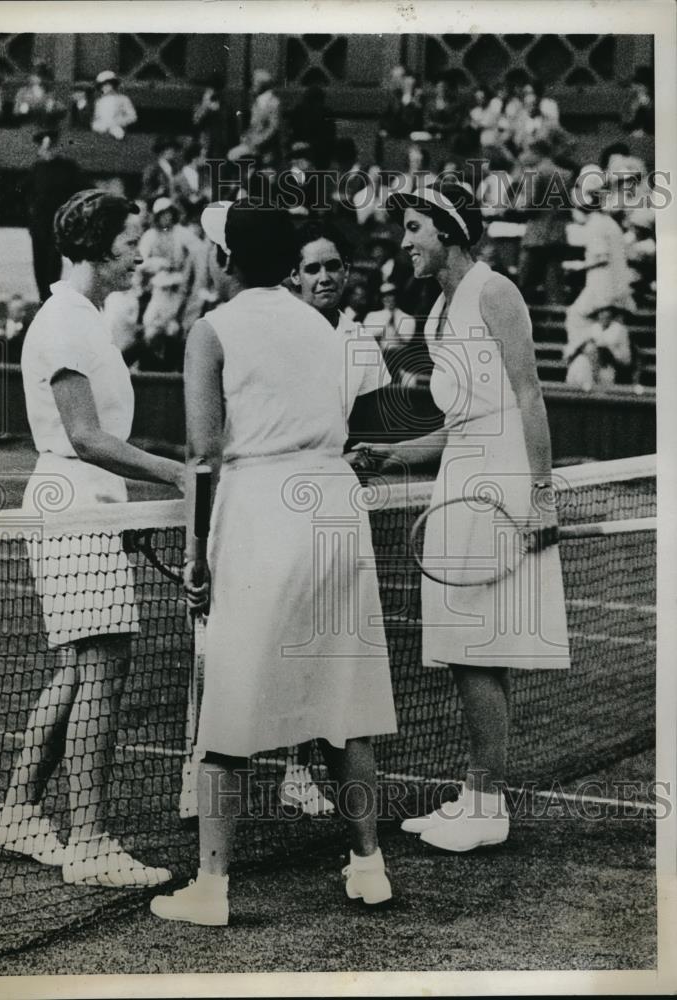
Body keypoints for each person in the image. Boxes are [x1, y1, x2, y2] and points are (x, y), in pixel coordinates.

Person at [149, 201, 398, 926]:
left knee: (229, 698)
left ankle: (212, 887)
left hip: (262, 510)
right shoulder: (323, 328)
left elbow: (201, 454)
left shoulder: (212, 329)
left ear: (226, 260)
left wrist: (195, 553)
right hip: (334, 512)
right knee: (343, 701)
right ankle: (368, 865)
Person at [0, 189, 185, 888]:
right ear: (99, 244)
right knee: (103, 666)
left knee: (81, 668)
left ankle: (16, 810)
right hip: (72, 496)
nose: (141, 252)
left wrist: (126, 505)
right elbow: (85, 435)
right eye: (131, 240)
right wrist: (177, 473)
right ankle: (90, 841)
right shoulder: (68, 320)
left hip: (85, 499)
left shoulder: (84, 316)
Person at [386, 181, 570, 850]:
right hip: (459, 480)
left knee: (480, 650)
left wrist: (542, 498)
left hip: (501, 484)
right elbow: (454, 425)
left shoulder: (494, 291)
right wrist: (389, 455)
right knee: (465, 651)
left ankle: (489, 806)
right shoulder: (437, 309)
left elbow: (529, 398)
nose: (404, 242)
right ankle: (473, 795)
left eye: (414, 228)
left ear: (449, 232)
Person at [564, 167, 635, 359]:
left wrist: (577, 268)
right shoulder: (608, 223)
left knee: (575, 317)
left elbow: (601, 257)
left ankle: (580, 358)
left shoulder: (596, 224)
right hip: (613, 287)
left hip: (604, 288)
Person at [26, 128, 84, 302]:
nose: (47, 149)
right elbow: (25, 195)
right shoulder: (36, 169)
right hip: (39, 225)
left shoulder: (68, 168)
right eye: (44, 146)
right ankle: (43, 298)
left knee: (53, 263)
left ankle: (51, 298)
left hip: (58, 223)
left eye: (51, 145)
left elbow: (81, 190)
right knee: (39, 263)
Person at [515, 139, 573, 305]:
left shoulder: (533, 173)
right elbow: (567, 207)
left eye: (526, 152)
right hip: (557, 233)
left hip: (536, 235)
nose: (523, 156)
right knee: (555, 284)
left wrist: (515, 208)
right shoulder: (566, 174)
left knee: (526, 283)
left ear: (536, 153)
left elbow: (530, 205)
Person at [91, 70, 138, 140]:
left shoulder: (123, 99)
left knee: (118, 133)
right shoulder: (99, 102)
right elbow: (96, 118)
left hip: (117, 130)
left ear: (113, 85)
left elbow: (132, 117)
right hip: (101, 132)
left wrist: (117, 122)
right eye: (102, 85)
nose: (105, 87)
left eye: (107, 84)